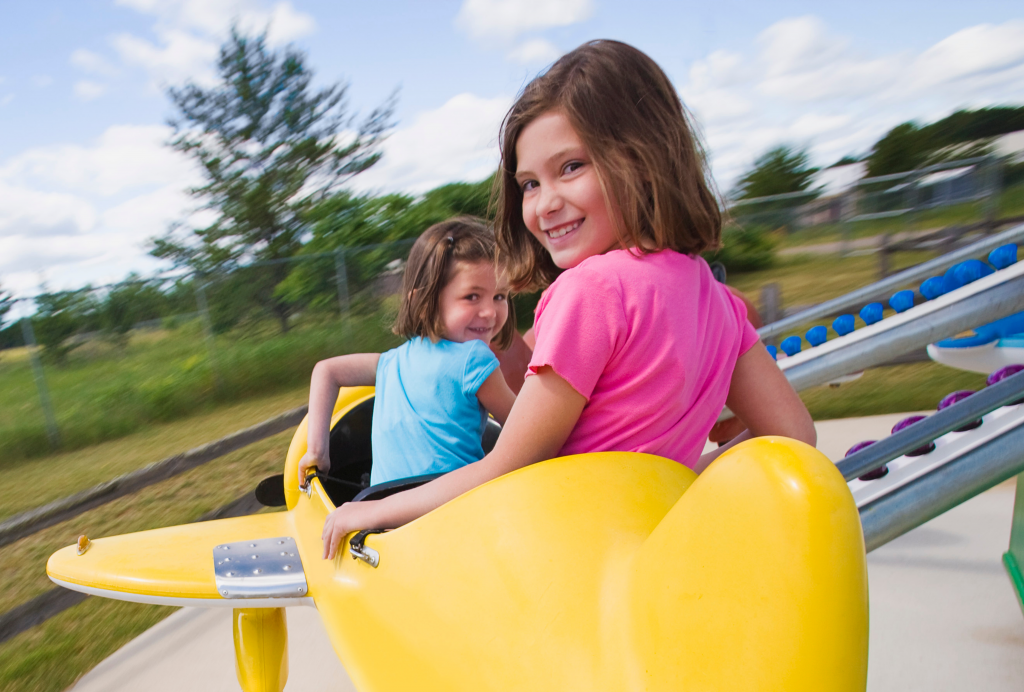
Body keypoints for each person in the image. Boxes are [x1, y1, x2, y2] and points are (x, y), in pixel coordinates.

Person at [321, 39, 815, 559]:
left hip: (566, 557)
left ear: (642, 157)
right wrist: (684, 480)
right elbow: (794, 434)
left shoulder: (591, 290)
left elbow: (509, 465)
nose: (545, 205)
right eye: (529, 184)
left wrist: (371, 510)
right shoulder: (716, 300)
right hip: (653, 552)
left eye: (572, 167)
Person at [298, 217, 517, 496]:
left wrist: (317, 452)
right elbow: (527, 429)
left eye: (500, 296)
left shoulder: (391, 363)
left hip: (380, 512)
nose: (490, 312)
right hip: (452, 510)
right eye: (472, 297)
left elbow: (326, 371)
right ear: (425, 302)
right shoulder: (474, 359)